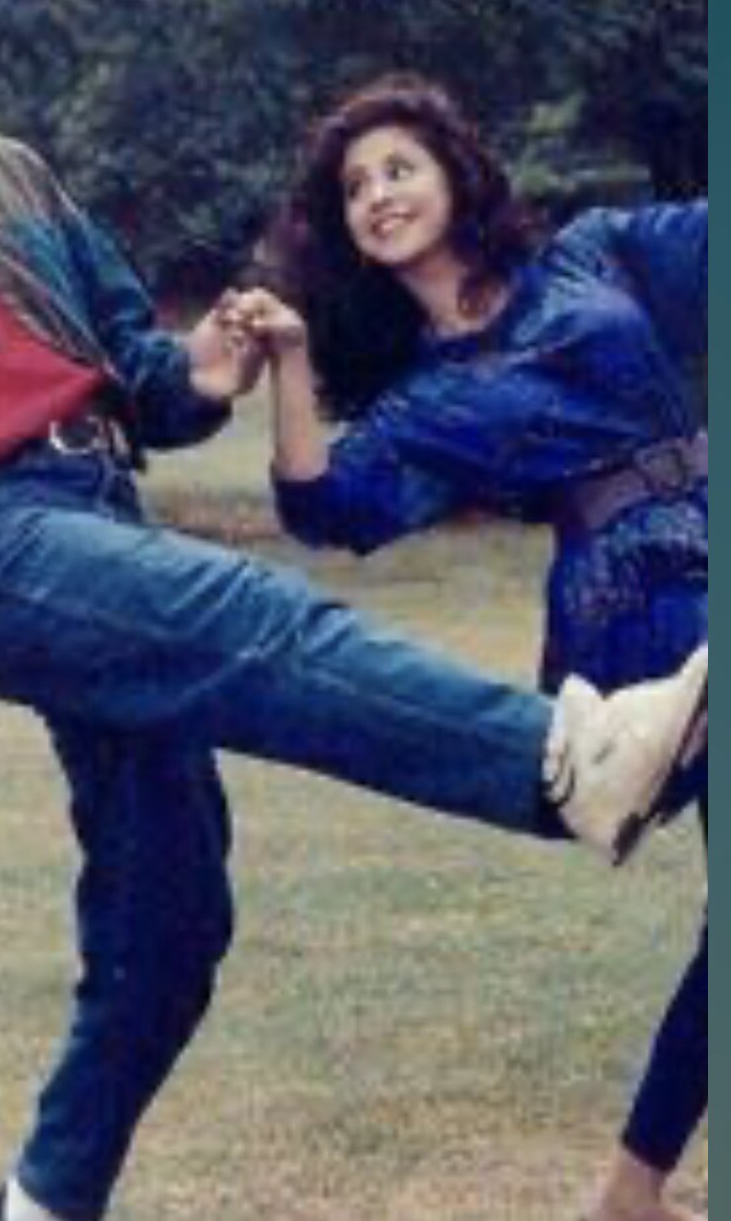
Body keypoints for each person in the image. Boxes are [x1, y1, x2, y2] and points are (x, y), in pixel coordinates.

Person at [0, 0, 707, 1221]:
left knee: (165, 924)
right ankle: (566, 762)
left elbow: (135, 362)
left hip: (97, 519)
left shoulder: (3, 171)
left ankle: (34, 1201)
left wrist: (205, 370)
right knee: (245, 614)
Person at [223, 73, 708, 1221]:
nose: (379, 194)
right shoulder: (420, 403)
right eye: (356, 187)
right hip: (636, 607)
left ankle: (628, 1192)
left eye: (399, 167)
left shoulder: (592, 256)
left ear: (454, 174)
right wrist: (287, 359)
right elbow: (323, 507)